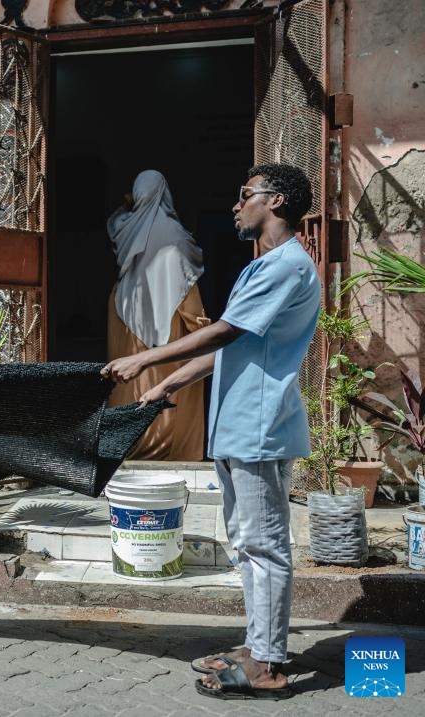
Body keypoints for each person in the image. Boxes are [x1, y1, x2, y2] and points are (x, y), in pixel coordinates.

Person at [102, 164, 320, 701]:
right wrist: (166, 382)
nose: (236, 205)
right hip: (238, 423)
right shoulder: (263, 267)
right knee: (247, 541)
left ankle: (267, 664)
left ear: (277, 202)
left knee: (264, 544)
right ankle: (257, 644)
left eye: (245, 195)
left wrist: (147, 359)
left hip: (258, 425)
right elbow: (232, 346)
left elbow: (224, 330)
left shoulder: (287, 266)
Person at [106, 169, 208, 460]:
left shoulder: (125, 228)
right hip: (170, 320)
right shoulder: (173, 234)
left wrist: (129, 204)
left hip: (124, 314)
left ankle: (128, 445)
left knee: (128, 382)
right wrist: (206, 329)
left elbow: (114, 220)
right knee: (174, 385)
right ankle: (172, 453)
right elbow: (184, 281)